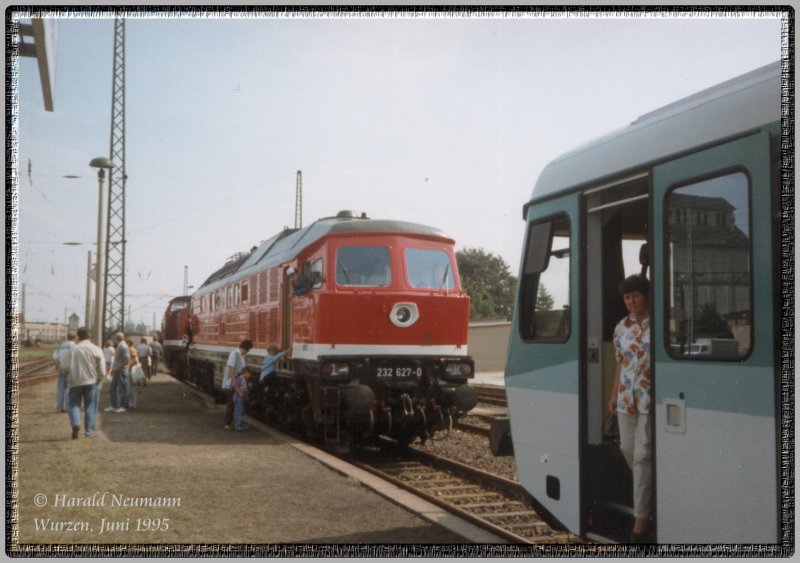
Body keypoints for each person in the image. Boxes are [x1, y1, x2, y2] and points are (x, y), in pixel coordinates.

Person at [607, 274, 652, 543]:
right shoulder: (621, 327)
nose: (631, 301)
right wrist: (613, 394)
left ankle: (640, 523)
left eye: (635, 295)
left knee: (643, 455)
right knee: (628, 449)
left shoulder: (658, 323)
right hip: (625, 398)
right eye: (627, 297)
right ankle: (648, 491)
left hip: (648, 398)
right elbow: (620, 364)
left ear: (645, 295)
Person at [67, 327, 105, 439]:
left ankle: (76, 424)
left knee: (73, 404)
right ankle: (89, 432)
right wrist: (99, 379)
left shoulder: (73, 349)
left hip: (75, 381)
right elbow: (102, 370)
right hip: (92, 381)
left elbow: (64, 366)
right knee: (90, 406)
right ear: (90, 336)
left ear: (78, 336)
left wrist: (69, 376)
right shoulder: (96, 349)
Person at [223, 339, 252, 430]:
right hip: (232, 383)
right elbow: (231, 368)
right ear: (246, 348)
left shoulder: (243, 356)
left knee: (237, 404)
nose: (248, 351)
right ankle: (227, 423)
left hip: (238, 382)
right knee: (231, 403)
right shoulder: (234, 354)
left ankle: (236, 423)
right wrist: (234, 382)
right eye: (248, 349)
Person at [106, 333, 130, 413]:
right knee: (112, 388)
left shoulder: (123, 346)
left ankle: (124, 406)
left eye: (115, 338)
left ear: (117, 338)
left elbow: (126, 359)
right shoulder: (120, 345)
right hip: (117, 370)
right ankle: (113, 405)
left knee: (122, 389)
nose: (114, 340)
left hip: (121, 370)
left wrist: (117, 368)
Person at [53, 332, 76, 412]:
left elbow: (55, 355)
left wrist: (57, 364)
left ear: (67, 337)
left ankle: (59, 407)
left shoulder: (61, 345)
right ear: (75, 338)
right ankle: (67, 407)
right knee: (68, 388)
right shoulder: (74, 345)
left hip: (61, 367)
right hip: (69, 368)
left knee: (60, 388)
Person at [232, 367, 254, 431]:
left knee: (239, 411)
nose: (250, 376)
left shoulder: (243, 379)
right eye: (250, 374)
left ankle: (237, 424)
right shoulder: (240, 378)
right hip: (238, 397)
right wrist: (240, 392)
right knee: (238, 411)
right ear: (246, 373)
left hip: (240, 397)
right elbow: (235, 386)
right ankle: (237, 426)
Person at [126, 339, 140, 408]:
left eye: (126, 343)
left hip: (132, 370)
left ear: (129, 343)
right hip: (132, 370)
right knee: (132, 387)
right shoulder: (132, 349)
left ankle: (131, 403)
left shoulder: (132, 349)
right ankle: (132, 403)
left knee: (130, 387)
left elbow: (135, 360)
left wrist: (129, 367)